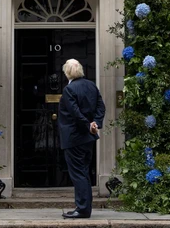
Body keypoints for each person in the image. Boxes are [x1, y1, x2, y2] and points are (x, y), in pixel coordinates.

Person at [58, 59, 105, 219]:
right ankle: (83, 206)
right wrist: (95, 124)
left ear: (67, 72)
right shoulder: (91, 85)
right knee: (84, 172)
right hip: (88, 137)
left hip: (74, 138)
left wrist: (88, 125)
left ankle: (83, 208)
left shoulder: (69, 89)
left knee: (78, 173)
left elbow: (75, 112)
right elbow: (101, 106)